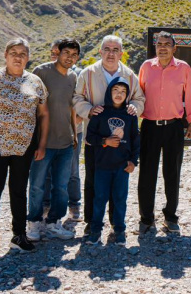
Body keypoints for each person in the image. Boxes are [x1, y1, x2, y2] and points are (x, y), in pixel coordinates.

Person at [0, 38, 49, 253]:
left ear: (28, 57)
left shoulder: (35, 82)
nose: (18, 57)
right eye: (13, 53)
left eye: (23, 53)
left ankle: (19, 235)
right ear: (5, 55)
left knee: (19, 191)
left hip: (24, 147)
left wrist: (42, 144)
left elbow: (43, 114)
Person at [73, 35, 145, 239]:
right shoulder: (87, 74)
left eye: (115, 50)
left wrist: (134, 108)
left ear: (121, 53)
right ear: (100, 51)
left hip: (121, 143)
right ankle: (92, 223)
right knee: (93, 181)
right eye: (107, 49)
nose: (111, 53)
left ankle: (116, 223)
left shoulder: (129, 75)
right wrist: (89, 110)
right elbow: (77, 97)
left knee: (118, 184)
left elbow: (139, 98)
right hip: (95, 139)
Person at [137, 31, 191, 235]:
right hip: (149, 126)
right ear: (155, 47)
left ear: (174, 48)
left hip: (173, 127)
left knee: (172, 173)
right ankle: (146, 218)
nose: (162, 47)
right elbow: (139, 95)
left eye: (166, 44)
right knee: (147, 174)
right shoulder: (146, 67)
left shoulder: (183, 68)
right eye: (159, 44)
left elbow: (190, 94)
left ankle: (170, 217)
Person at [26, 39, 81, 241]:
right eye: (66, 53)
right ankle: (33, 224)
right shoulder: (41, 72)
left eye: (74, 55)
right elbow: (29, 103)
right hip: (43, 142)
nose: (69, 58)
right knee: (37, 185)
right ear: (58, 52)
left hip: (65, 141)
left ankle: (53, 223)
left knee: (61, 187)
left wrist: (74, 133)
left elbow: (71, 107)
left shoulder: (73, 76)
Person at [84, 77, 140, 246]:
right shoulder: (100, 113)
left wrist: (133, 162)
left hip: (122, 166)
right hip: (102, 165)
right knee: (99, 198)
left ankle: (119, 230)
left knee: (120, 199)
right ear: (109, 92)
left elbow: (136, 140)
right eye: (115, 90)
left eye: (123, 91)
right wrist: (105, 141)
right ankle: (95, 230)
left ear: (127, 95)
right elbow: (89, 137)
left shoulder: (130, 115)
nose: (119, 94)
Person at [42, 40, 84, 226]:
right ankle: (46, 206)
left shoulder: (78, 74)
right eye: (52, 53)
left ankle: (74, 205)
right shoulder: (44, 72)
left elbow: (82, 101)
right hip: (49, 132)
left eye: (57, 52)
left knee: (72, 170)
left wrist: (75, 122)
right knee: (47, 172)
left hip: (73, 131)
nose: (55, 56)